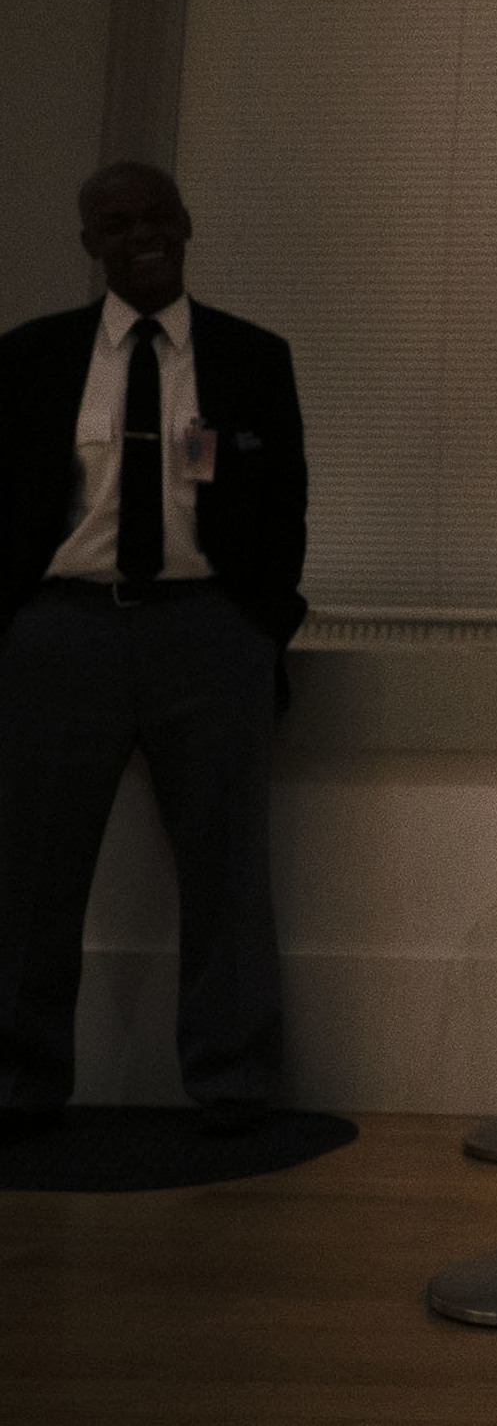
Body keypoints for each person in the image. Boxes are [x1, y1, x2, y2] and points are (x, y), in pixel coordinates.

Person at [0, 163, 307, 1139]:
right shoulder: (32, 360)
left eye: (159, 214)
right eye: (117, 221)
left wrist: (257, 624)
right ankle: (19, 1083)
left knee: (227, 871)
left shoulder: (250, 358)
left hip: (207, 630)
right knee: (32, 872)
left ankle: (233, 1082)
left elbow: (285, 505)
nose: (142, 233)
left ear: (188, 222)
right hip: (63, 630)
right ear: (89, 242)